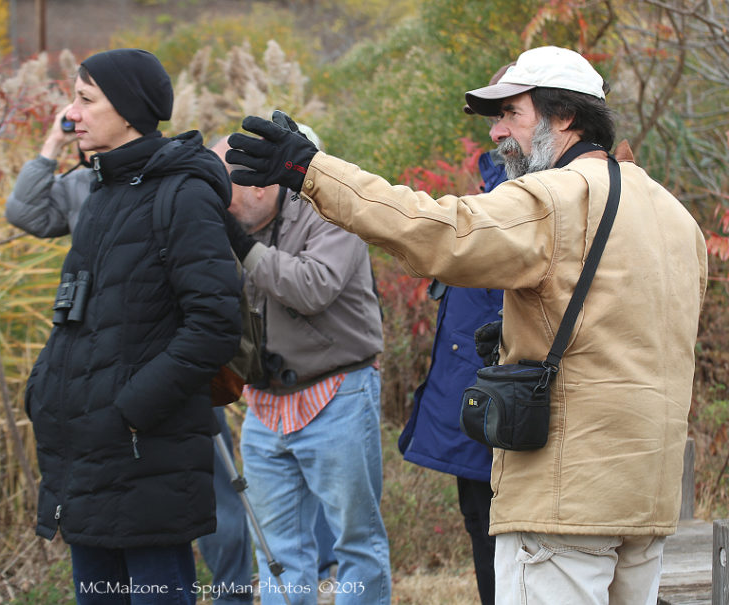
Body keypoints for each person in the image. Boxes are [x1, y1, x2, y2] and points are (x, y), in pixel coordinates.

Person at [225, 45, 708, 605]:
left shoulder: (552, 197)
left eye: (511, 114)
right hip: (647, 500)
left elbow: (433, 230)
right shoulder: (674, 214)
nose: (497, 132)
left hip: (564, 501)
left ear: (566, 116)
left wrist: (311, 171)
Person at [19, 48, 242, 604]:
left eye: (85, 99)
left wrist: (129, 410)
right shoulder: (102, 190)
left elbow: (214, 323)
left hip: (146, 457)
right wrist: (46, 391)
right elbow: (81, 315)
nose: (72, 113)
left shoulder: (182, 193)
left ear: (128, 111)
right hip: (86, 456)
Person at [212, 132, 390, 605]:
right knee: (277, 550)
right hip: (264, 406)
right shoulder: (229, 225)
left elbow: (313, 287)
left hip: (338, 395)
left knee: (357, 544)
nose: (216, 201)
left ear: (258, 185)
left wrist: (239, 247)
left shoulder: (333, 213)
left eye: (221, 186)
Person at [398, 149, 507, 605]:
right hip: (475, 412)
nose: (496, 130)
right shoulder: (490, 197)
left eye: (509, 112)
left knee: (517, 546)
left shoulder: (531, 200)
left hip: (513, 414)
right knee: (484, 535)